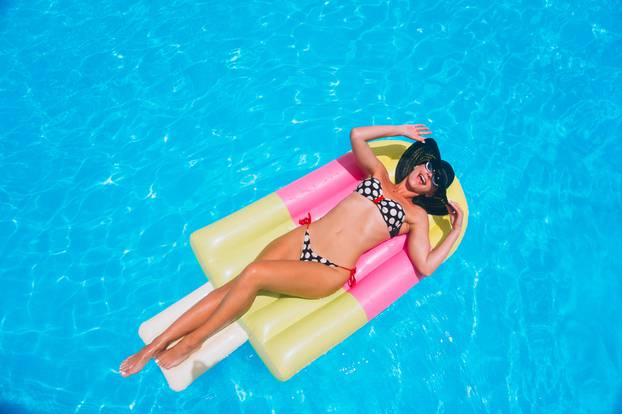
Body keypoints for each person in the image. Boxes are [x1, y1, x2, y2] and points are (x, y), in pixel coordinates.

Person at [119, 124, 464, 377]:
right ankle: (152, 347)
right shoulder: (378, 173)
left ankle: (194, 340)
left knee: (253, 276)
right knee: (234, 284)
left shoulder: (415, 217)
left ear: (432, 191)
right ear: (417, 163)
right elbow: (357, 135)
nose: (429, 175)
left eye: (436, 179)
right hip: (304, 238)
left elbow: (427, 265)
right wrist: (401, 131)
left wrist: (457, 226)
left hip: (330, 269)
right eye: (429, 167)